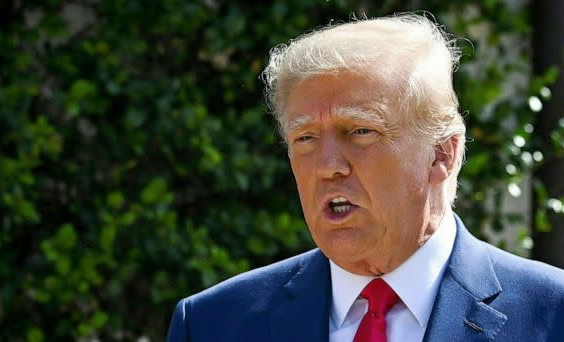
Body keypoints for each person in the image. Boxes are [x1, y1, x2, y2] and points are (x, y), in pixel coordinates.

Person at [166, 13, 564, 342]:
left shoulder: (552, 314)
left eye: (360, 131)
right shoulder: (211, 324)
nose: (327, 165)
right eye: (305, 137)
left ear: (443, 154)